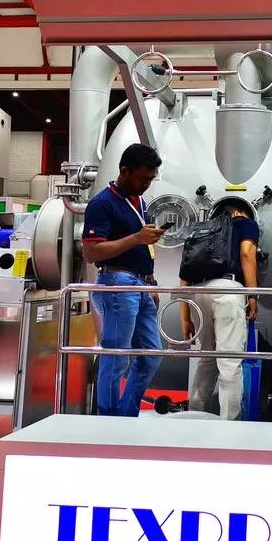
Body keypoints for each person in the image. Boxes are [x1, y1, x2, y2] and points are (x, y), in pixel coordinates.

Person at [82, 143, 164, 417]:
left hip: (140, 284)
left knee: (151, 354)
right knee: (116, 355)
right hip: (117, 282)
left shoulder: (140, 202)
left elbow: (141, 248)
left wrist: (150, 282)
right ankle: (108, 419)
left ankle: (124, 415)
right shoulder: (102, 203)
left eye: (150, 179)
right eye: (142, 178)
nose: (146, 184)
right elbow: (92, 252)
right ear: (124, 171)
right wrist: (137, 238)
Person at [182, 200, 260, 420]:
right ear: (241, 211)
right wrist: (253, 295)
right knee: (229, 361)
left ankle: (195, 416)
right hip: (228, 290)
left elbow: (184, 275)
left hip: (199, 293)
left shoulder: (201, 230)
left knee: (206, 359)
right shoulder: (245, 223)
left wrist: (185, 317)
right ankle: (229, 423)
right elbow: (247, 253)